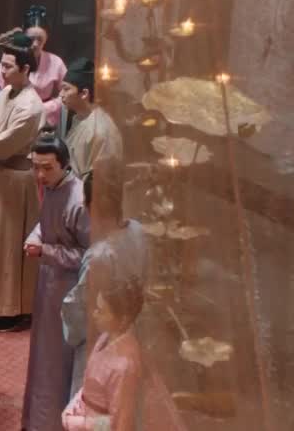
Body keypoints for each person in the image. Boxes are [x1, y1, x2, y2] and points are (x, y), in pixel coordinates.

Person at [0, 31, 47, 332]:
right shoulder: (6, 93)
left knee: (7, 248)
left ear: (25, 69)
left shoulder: (31, 105)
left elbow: (0, 145)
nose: (1, 71)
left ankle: (11, 310)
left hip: (15, 183)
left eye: (8, 66)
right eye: (1, 65)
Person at [22, 135, 90, 431]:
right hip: (48, 282)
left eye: (47, 168)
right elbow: (47, 223)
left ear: (64, 164)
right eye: (35, 167)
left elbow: (89, 254)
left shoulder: (79, 200)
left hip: (69, 289)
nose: (40, 175)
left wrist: (46, 250)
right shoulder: (51, 187)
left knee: (58, 360)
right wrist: (36, 237)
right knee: (42, 356)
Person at [62, 170, 148, 396]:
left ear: (89, 206)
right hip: (131, 332)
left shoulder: (99, 255)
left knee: (96, 402)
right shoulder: (138, 231)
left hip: (100, 340)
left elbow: (79, 307)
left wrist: (70, 327)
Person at [61, 282, 186, 431]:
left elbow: (118, 423)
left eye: (101, 311)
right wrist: (73, 407)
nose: (94, 314)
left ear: (123, 319)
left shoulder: (125, 366)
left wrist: (77, 422)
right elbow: (90, 385)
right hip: (83, 415)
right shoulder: (106, 336)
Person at [0, 5, 65, 127]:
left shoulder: (56, 62)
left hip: (44, 117)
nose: (35, 44)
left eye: (40, 39)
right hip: (12, 115)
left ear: (46, 38)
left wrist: (49, 106)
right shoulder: (10, 59)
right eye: (31, 39)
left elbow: (67, 91)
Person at [59, 58, 122, 179]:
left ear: (84, 94)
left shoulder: (101, 130)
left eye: (66, 89)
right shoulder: (79, 118)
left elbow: (99, 180)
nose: (61, 94)